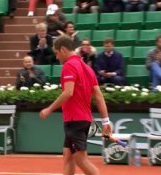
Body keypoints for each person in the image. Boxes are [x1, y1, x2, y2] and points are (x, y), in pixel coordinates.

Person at [39, 35, 112, 175]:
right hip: (83, 119)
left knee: (79, 157)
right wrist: (106, 120)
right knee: (68, 155)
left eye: (57, 52)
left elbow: (68, 93)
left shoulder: (69, 65)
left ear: (64, 49)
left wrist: (49, 109)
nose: (56, 56)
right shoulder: (86, 67)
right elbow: (98, 95)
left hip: (75, 120)